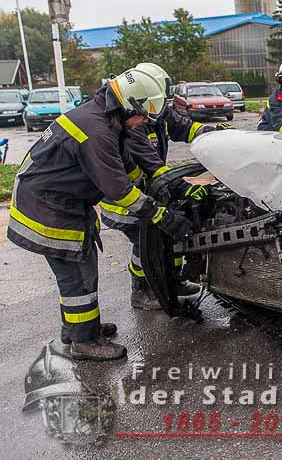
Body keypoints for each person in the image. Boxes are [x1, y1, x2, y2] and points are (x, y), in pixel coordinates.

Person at [7, 66, 194, 360]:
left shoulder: (104, 119)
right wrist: (160, 215)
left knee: (77, 272)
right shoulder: (97, 132)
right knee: (78, 275)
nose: (144, 122)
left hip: (56, 203)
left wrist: (165, 189)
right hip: (47, 210)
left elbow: (127, 168)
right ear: (130, 105)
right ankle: (84, 341)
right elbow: (119, 189)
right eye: (143, 115)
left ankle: (76, 330)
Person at [99, 63, 233, 310]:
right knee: (145, 242)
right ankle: (141, 290)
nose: (161, 107)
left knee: (171, 232)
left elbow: (186, 127)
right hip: (125, 201)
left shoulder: (157, 111)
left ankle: (173, 281)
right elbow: (153, 166)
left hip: (148, 191)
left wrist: (214, 134)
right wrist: (183, 188)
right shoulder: (131, 124)